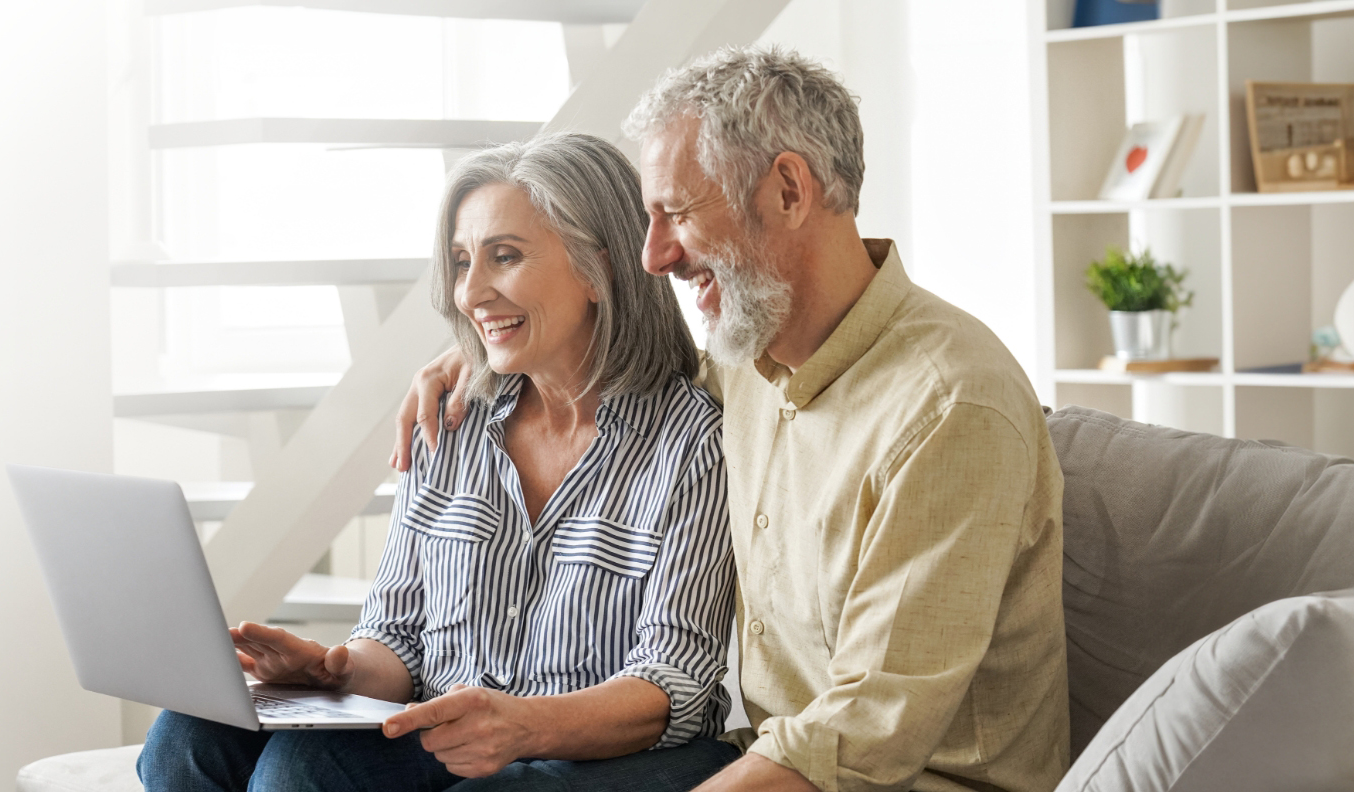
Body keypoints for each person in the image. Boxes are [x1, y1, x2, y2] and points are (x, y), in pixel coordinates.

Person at [395, 47, 1070, 792]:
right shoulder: (745, 362)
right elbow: (616, 359)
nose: (652, 256)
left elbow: (871, 722)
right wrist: (479, 353)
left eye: (676, 213)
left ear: (787, 190)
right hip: (767, 755)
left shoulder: (947, 406)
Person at [138, 133, 741, 791]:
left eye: (503, 258)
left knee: (301, 776)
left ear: (602, 269)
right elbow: (396, 636)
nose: (470, 293)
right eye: (460, 263)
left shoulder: (693, 442)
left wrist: (521, 725)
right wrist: (331, 670)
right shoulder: (451, 420)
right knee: (185, 736)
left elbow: (671, 681)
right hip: (450, 731)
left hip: (609, 754)